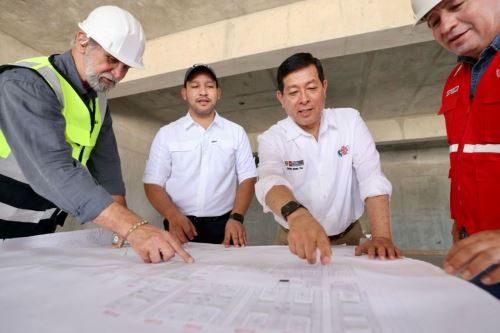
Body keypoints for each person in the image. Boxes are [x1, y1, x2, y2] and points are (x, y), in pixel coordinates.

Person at [0, 5, 193, 264]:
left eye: (126, 67)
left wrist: (121, 227)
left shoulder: (99, 102)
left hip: (37, 228)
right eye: (112, 60)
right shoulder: (26, 84)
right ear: (82, 40)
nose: (118, 75)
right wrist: (133, 227)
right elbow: (53, 169)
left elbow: (108, 168)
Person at [255, 52, 402, 265]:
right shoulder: (272, 138)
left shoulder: (350, 121)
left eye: (312, 88)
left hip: (349, 237)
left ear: (324, 87)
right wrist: (297, 215)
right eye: (294, 92)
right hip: (294, 237)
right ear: (281, 98)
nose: (304, 99)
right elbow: (269, 180)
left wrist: (382, 237)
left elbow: (371, 176)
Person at [410, 0, 500, 297]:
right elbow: (466, 163)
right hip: (475, 251)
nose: (446, 25)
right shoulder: (456, 79)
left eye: (456, 4)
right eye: (433, 21)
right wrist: (460, 224)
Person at [143, 64, 257, 247]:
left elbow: (248, 178)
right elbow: (152, 183)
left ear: (218, 93)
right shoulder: (166, 134)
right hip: (178, 223)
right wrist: (172, 215)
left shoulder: (236, 132)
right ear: (184, 93)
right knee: (175, 275)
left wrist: (237, 217)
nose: (203, 92)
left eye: (209, 86)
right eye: (195, 86)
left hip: (225, 225)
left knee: (226, 275)